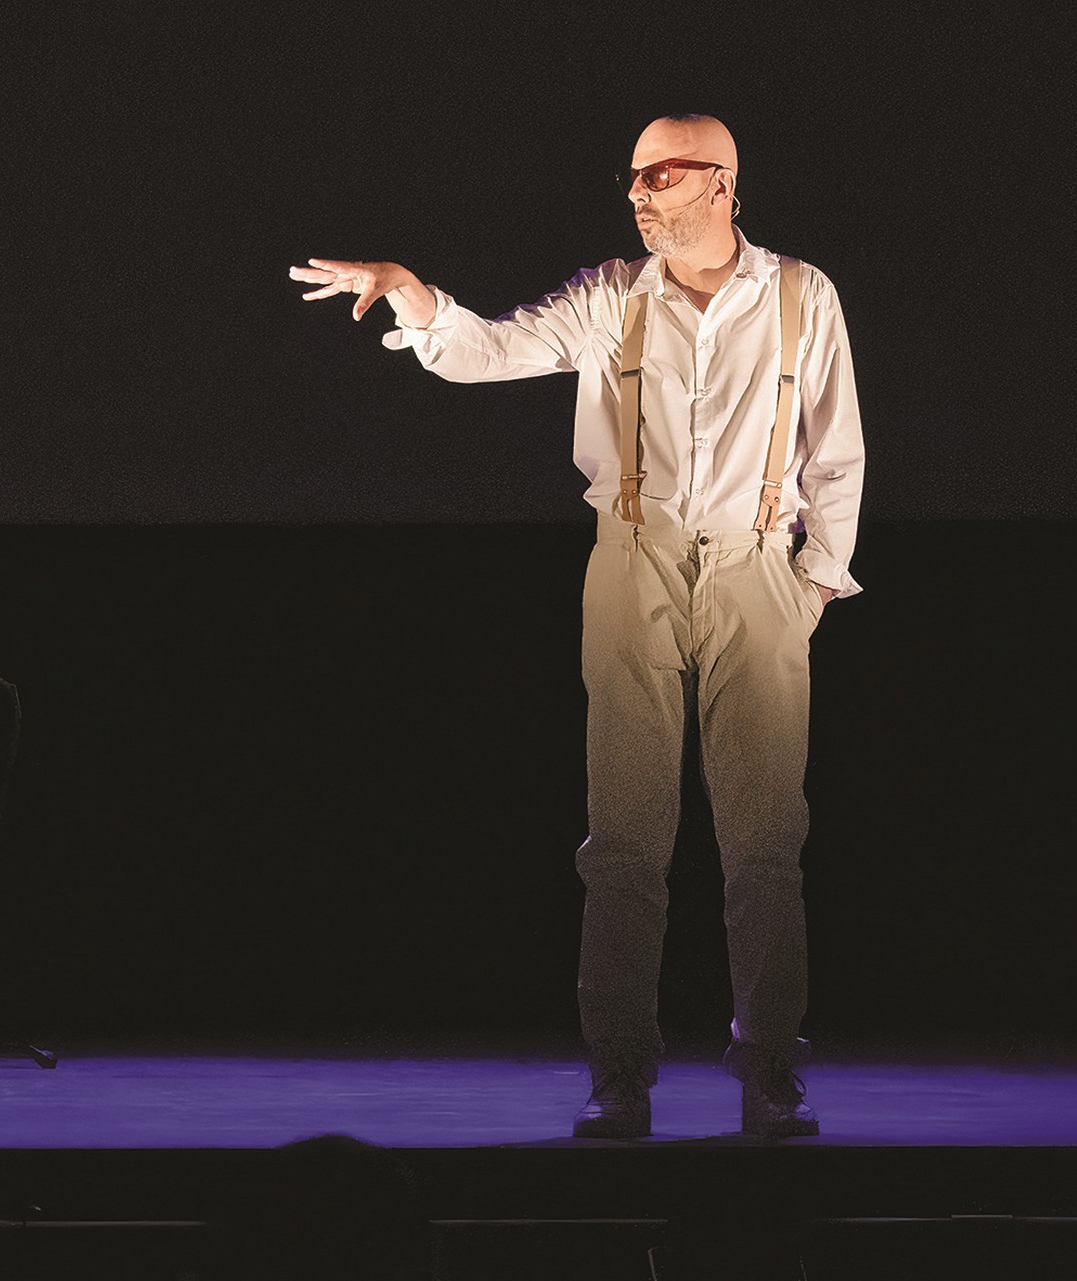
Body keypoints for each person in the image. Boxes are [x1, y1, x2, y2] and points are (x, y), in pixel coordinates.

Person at [291, 114, 863, 1139]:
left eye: (664, 175)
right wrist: (422, 300)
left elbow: (836, 449)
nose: (639, 193)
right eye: (633, 176)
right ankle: (620, 1074)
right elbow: (494, 351)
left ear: (724, 183)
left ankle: (770, 1068)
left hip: (753, 567)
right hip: (630, 564)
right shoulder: (610, 295)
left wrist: (811, 583)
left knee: (766, 842)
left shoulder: (799, 295)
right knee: (626, 842)